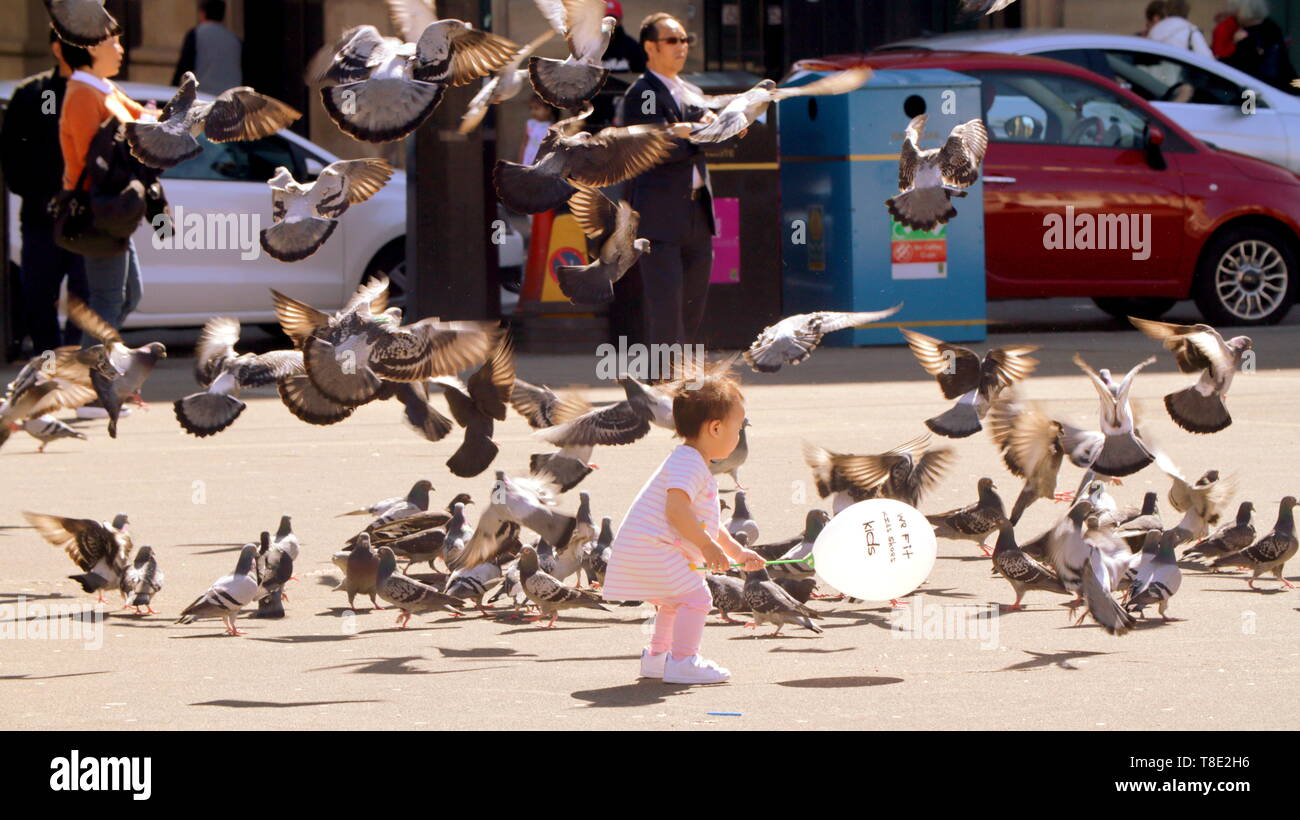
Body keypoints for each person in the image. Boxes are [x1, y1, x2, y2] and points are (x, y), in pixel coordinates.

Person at [600, 368, 764, 685]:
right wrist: (706, 546)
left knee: (674, 602)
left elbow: (705, 522)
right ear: (716, 428)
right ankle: (683, 662)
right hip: (654, 549)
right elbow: (676, 512)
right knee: (697, 599)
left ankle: (657, 659)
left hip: (644, 548)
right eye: (738, 427)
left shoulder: (689, 460)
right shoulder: (690, 463)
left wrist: (737, 552)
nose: (739, 434)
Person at [618, 13, 741, 349]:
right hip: (659, 217)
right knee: (666, 308)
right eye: (673, 40)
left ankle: (683, 381)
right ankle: (663, 384)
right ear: (650, 47)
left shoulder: (692, 91)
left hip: (698, 214)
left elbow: (717, 140)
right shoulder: (640, 93)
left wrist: (724, 126)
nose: (682, 47)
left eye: (686, 40)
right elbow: (655, 149)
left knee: (692, 306)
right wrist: (699, 133)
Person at [59, 32, 154, 350]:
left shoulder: (104, 87)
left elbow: (144, 119)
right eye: (113, 43)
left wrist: (192, 114)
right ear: (91, 48)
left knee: (128, 295)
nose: (121, 49)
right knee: (109, 300)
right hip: (98, 210)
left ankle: (97, 372)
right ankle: (91, 385)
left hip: (114, 211)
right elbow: (98, 162)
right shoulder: (83, 93)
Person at [1, 27, 89, 353]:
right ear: (57, 48)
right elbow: (13, 155)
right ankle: (48, 372)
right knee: (40, 299)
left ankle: (75, 371)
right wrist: (37, 192)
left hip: (87, 221)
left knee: (86, 302)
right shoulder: (39, 93)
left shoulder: (102, 92)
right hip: (42, 218)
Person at [1220, 0, 1298, 92]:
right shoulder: (1272, 26)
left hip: (1264, 89)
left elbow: (1243, 64)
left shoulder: (1249, 36)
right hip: (1284, 84)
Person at [171, 0, 242, 94]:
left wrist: (172, 89)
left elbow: (184, 66)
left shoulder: (196, 34)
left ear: (202, 13)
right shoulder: (235, 40)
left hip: (204, 96)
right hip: (231, 98)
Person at [1147, 0, 1213, 56]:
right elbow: (1207, 59)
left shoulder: (1155, 30)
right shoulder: (1191, 31)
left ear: (1166, 11)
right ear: (1187, 12)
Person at [600, 1, 647, 74]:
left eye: (614, 18)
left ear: (620, 19)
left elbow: (641, 74)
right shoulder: (587, 47)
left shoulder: (632, 47)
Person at [519, 96, 554, 167]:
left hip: (541, 161)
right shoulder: (530, 124)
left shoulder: (552, 127)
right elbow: (524, 143)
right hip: (528, 157)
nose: (533, 111)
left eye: (536, 108)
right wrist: (520, 162)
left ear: (548, 110)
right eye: (531, 108)